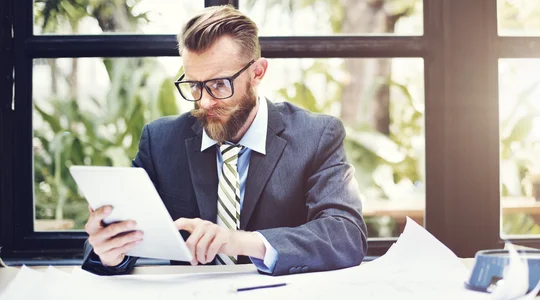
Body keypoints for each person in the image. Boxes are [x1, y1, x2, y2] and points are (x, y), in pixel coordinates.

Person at [82, 5, 367, 276]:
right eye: (194, 85)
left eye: (219, 84)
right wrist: (109, 252)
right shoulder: (160, 141)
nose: (204, 102)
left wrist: (240, 241)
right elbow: (113, 236)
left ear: (258, 73)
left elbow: (345, 235)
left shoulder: (316, 136)